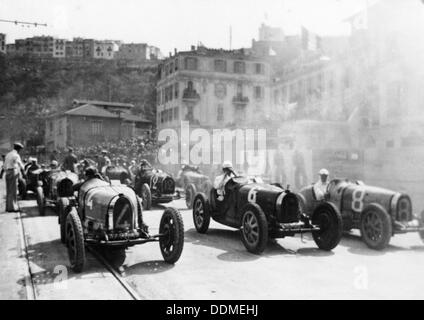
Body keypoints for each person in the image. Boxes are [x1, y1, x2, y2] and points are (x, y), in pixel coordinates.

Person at [4, 143, 25, 212]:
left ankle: (8, 207)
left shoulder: (8, 154)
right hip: (13, 172)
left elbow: (4, 165)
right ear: (18, 149)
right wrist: (24, 173)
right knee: (13, 190)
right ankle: (13, 208)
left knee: (9, 190)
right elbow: (20, 164)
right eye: (20, 150)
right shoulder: (16, 155)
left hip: (7, 172)